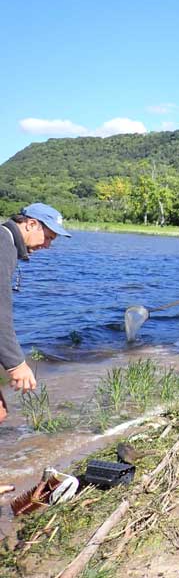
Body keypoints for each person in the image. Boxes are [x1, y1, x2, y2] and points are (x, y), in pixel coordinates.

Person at [1, 203, 71, 490]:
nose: (48, 245)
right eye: (49, 236)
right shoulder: (2, 243)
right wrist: (16, 363)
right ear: (30, 224)